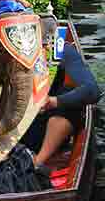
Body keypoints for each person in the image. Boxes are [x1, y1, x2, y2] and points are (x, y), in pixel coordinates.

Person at [21, 40, 101, 173]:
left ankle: (37, 163)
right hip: (12, 127)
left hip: (42, 126)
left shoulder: (60, 48)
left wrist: (53, 101)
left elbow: (92, 90)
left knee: (70, 96)